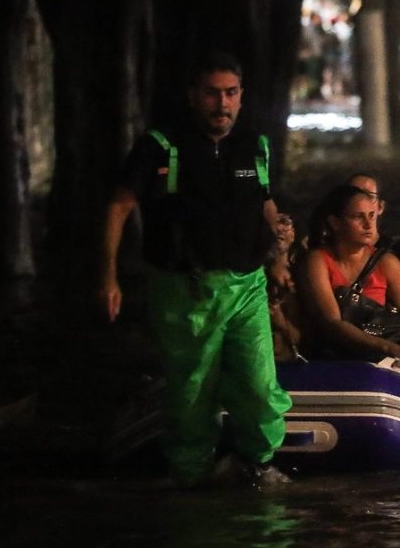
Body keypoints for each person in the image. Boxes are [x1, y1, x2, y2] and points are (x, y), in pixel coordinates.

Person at [100, 51, 292, 488]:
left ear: (241, 97)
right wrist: (108, 277)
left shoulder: (254, 145)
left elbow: (264, 201)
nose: (221, 104)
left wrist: (279, 254)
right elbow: (119, 206)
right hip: (184, 288)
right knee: (190, 393)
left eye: (230, 93)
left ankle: (258, 465)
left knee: (261, 387)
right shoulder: (160, 145)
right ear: (193, 96)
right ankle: (190, 477)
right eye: (211, 93)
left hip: (248, 286)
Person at [298, 184, 400, 375]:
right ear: (335, 223)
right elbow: (332, 322)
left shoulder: (387, 263)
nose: (368, 224)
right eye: (358, 217)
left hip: (385, 362)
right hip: (338, 358)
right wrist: (389, 349)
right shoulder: (318, 261)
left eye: (371, 216)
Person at [345, 172, 400, 309]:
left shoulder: (397, 247)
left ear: (380, 207)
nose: (360, 201)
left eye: (368, 196)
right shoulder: (326, 246)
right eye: (353, 194)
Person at [266, 212, 303, 363]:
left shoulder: (303, 276)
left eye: (284, 222)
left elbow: (304, 337)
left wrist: (280, 319)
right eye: (274, 222)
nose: (279, 228)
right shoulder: (249, 276)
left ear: (293, 234)